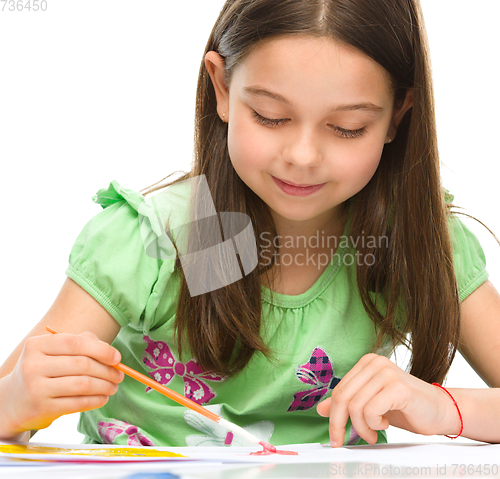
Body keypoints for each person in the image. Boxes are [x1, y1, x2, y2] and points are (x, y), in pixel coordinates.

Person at [1, 0, 499, 448]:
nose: (302, 157)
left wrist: (445, 408)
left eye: (347, 128)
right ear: (221, 87)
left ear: (397, 116)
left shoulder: (418, 244)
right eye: (270, 116)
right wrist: (21, 400)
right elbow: (11, 410)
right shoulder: (154, 240)